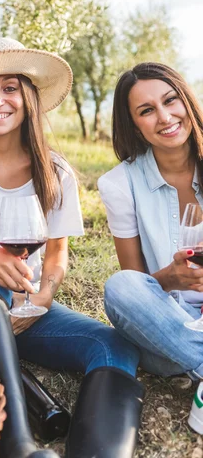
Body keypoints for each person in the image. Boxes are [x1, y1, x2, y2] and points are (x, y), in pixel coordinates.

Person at [0, 37, 144, 458]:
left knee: (115, 346)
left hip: (25, 307)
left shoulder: (56, 170)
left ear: (29, 97)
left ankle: (97, 452)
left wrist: (43, 296)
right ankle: (16, 444)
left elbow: (56, 253)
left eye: (9, 88)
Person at [98, 61, 203, 435]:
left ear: (186, 100)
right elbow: (136, 284)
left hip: (180, 346)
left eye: (170, 100)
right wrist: (170, 278)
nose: (165, 116)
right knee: (120, 287)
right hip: (171, 324)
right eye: (147, 110)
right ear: (134, 125)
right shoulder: (119, 184)